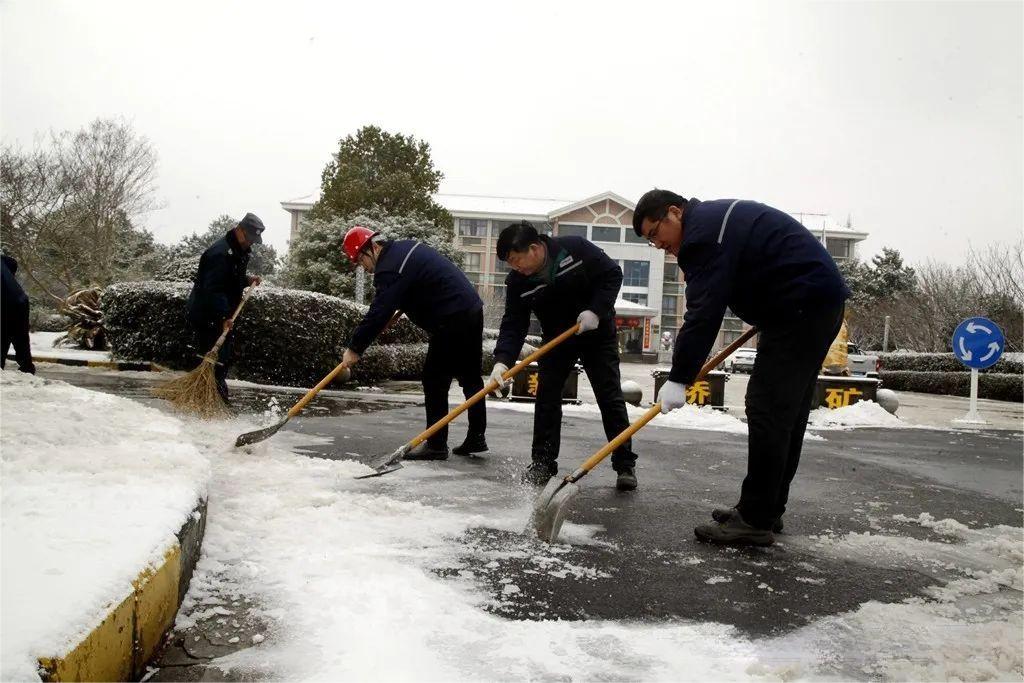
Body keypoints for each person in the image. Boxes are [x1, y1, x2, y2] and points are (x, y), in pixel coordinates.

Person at [633, 189, 849, 546]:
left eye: (656, 233)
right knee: (786, 413)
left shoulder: (702, 236)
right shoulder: (712, 222)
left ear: (675, 212)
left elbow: (703, 313)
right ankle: (766, 508)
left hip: (801, 306)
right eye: (650, 241)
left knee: (767, 409)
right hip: (809, 304)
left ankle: (755, 519)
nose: (658, 245)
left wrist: (679, 377)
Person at [490, 221, 639, 491]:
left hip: (596, 331)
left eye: (516, 260)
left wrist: (596, 310)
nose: (515, 267)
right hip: (557, 338)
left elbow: (611, 275)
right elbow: (513, 324)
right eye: (510, 264)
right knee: (547, 396)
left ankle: (624, 463)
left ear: (534, 248)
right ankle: (543, 463)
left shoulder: (574, 249)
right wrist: (502, 361)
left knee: (609, 396)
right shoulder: (518, 282)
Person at [341, 226, 487, 460]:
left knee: (434, 380)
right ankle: (477, 436)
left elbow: (379, 310)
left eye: (361, 260)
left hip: (450, 317)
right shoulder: (403, 249)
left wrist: (355, 348)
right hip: (470, 308)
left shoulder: (389, 267)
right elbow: (415, 285)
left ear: (373, 247)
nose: (363, 268)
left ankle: (436, 445)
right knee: (470, 377)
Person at [186, 212, 264, 403]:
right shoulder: (219, 253)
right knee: (213, 360)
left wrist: (247, 280)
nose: (251, 243)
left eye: (254, 240)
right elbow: (213, 289)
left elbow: (231, 279)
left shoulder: (239, 251)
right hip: (207, 315)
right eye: (249, 238)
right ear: (239, 230)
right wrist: (223, 317)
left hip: (221, 314)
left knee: (222, 360)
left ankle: (213, 402)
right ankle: (208, 402)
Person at [1, 255, 35, 374]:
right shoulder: (3, 262)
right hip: (20, 300)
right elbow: (11, 263)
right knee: (21, 337)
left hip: (4, 302)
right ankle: (27, 367)